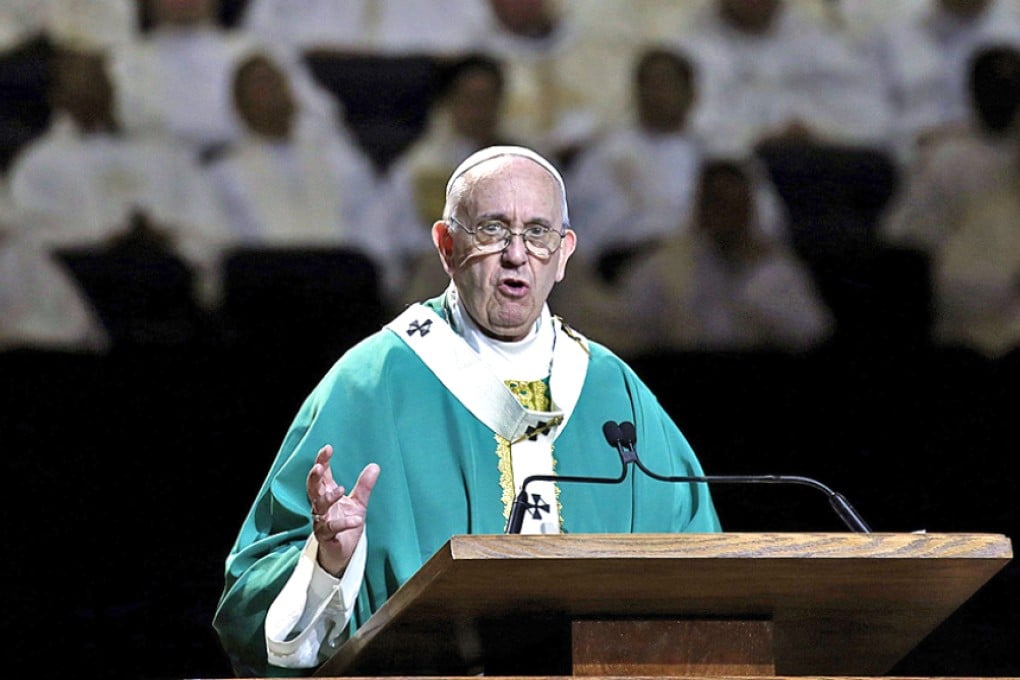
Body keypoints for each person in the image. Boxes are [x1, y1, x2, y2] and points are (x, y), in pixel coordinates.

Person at [213, 145, 722, 677]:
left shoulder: (614, 390)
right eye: (493, 230)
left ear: (566, 252)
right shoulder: (375, 381)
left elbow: (704, 575)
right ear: (446, 245)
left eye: (538, 233)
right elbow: (252, 612)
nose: (516, 254)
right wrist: (329, 563)